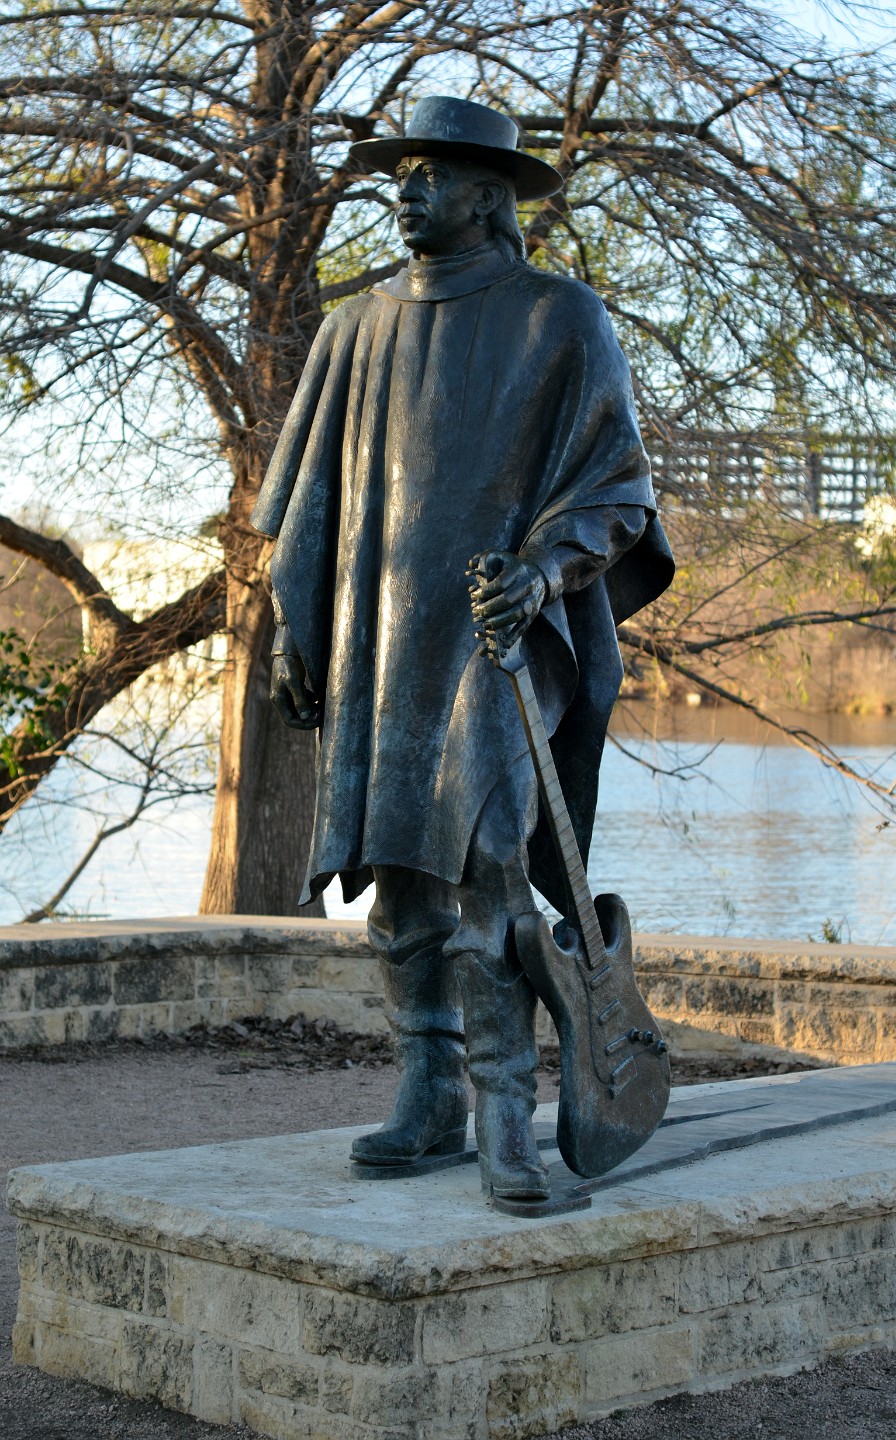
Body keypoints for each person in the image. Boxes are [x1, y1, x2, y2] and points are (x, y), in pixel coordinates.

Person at [251, 96, 673, 1201]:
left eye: (430, 174)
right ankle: (429, 1092)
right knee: (398, 882)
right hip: (381, 646)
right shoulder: (354, 328)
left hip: (498, 642)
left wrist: (542, 571)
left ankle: (504, 1113)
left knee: (489, 871)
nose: (406, 190)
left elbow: (618, 486)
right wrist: (295, 622)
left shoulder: (560, 319)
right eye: (404, 174)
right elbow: (301, 505)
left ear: (488, 196)